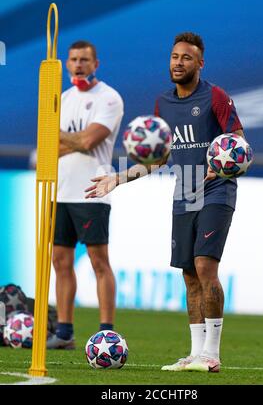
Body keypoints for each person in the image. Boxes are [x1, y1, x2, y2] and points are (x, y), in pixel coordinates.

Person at [85, 32, 245, 372]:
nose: (178, 62)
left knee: (205, 266)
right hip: (183, 191)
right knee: (189, 275)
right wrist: (117, 178)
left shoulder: (216, 97)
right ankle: (194, 353)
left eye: (186, 58)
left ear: (200, 63)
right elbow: (159, 159)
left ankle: (212, 355)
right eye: (174, 56)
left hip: (217, 191)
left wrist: (220, 168)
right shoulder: (163, 105)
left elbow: (239, 143)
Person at [47, 40, 124, 349]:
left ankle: (107, 331)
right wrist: (70, 140)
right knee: (60, 260)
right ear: (66, 64)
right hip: (61, 189)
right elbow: (48, 149)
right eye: (74, 59)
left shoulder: (108, 98)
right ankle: (65, 331)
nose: (78, 64)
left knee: (98, 261)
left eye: (84, 60)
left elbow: (89, 142)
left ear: (96, 64)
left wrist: (56, 134)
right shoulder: (63, 98)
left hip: (93, 188)